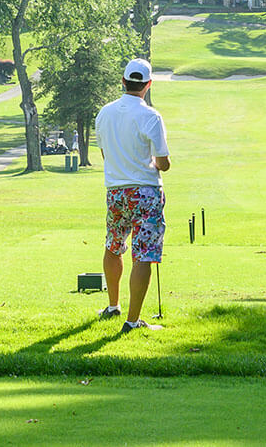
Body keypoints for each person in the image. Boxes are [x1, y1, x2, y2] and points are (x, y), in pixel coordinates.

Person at [93, 58, 172, 333]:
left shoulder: (104, 113)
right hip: (145, 193)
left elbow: (105, 154)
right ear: (148, 85)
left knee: (113, 246)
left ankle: (112, 306)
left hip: (115, 192)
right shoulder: (151, 115)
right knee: (144, 254)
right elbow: (162, 163)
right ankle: (132, 321)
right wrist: (153, 162)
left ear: (123, 82)